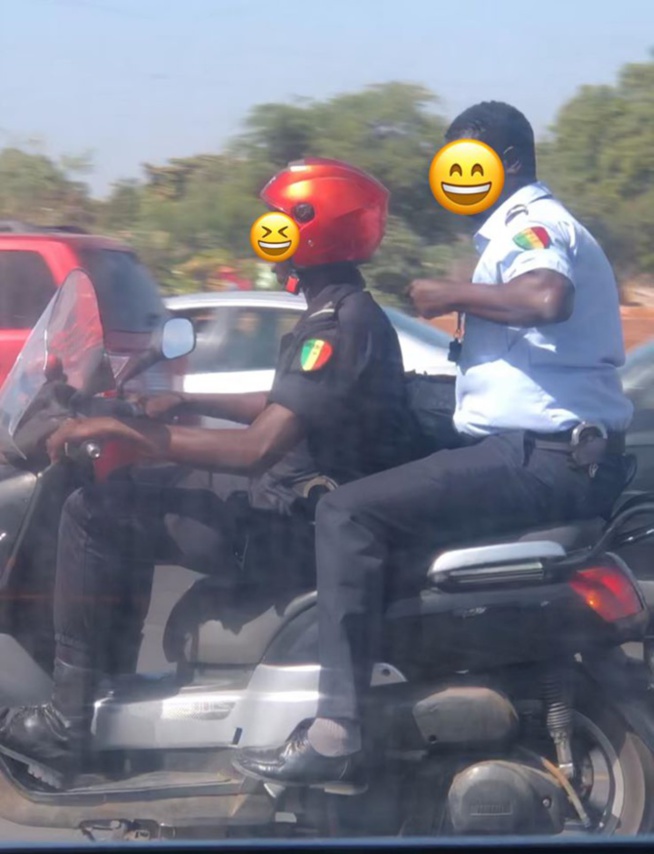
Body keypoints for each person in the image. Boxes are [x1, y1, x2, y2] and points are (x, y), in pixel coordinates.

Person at [234, 101, 635, 787]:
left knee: (348, 513)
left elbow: (547, 299)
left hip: (540, 458)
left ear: (499, 165)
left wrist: (452, 292)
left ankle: (339, 727)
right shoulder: (515, 229)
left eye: (463, 165)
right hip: (542, 448)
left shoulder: (531, 225)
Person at [0, 157, 417, 785]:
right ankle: (107, 685)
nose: (268, 238)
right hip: (288, 501)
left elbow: (257, 449)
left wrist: (132, 433)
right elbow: (290, 405)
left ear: (312, 231)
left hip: (283, 521)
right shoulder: (339, 312)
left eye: (278, 224)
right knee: (125, 498)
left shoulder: (339, 324)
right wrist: (188, 402)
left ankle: (69, 719)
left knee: (94, 513)